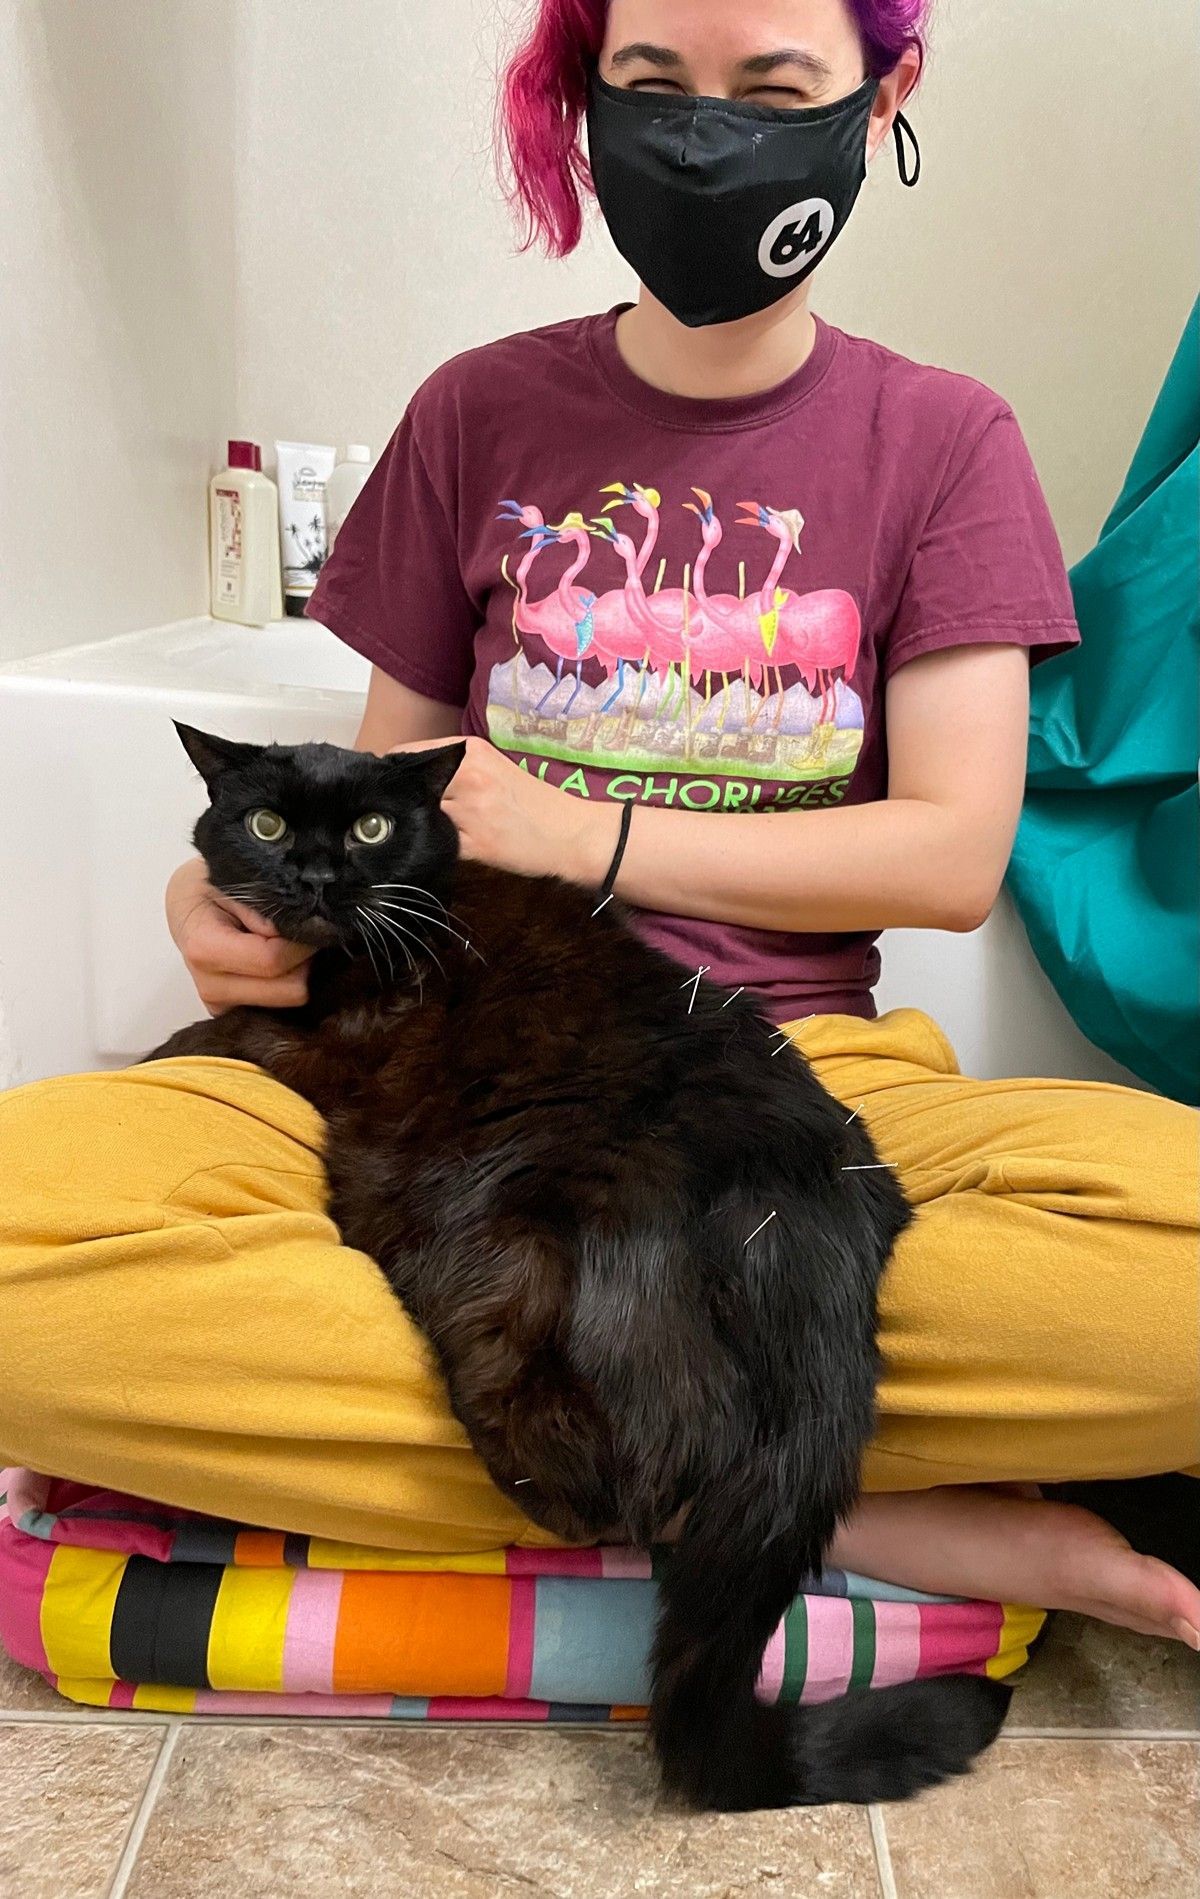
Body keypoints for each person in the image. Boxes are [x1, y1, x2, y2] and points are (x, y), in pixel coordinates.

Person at [2, 0, 1196, 1651]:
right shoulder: (476, 413)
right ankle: (819, 1492)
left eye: (773, 90)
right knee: (20, 1253)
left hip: (782, 1080)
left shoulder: (943, 440)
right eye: (652, 87)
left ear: (884, 94)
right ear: (586, 99)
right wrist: (222, 903)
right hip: (424, 1074)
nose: (705, 136)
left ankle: (617, 1439)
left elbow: (947, 855)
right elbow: (382, 797)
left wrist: (595, 836)